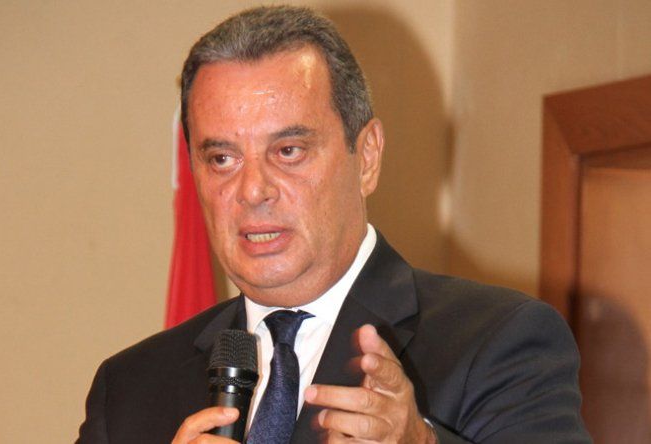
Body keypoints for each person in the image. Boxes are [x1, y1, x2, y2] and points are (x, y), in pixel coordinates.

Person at [77, 6, 590, 444]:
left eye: (289, 151)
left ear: (366, 157)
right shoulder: (129, 388)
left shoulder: (499, 341)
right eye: (222, 159)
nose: (253, 191)